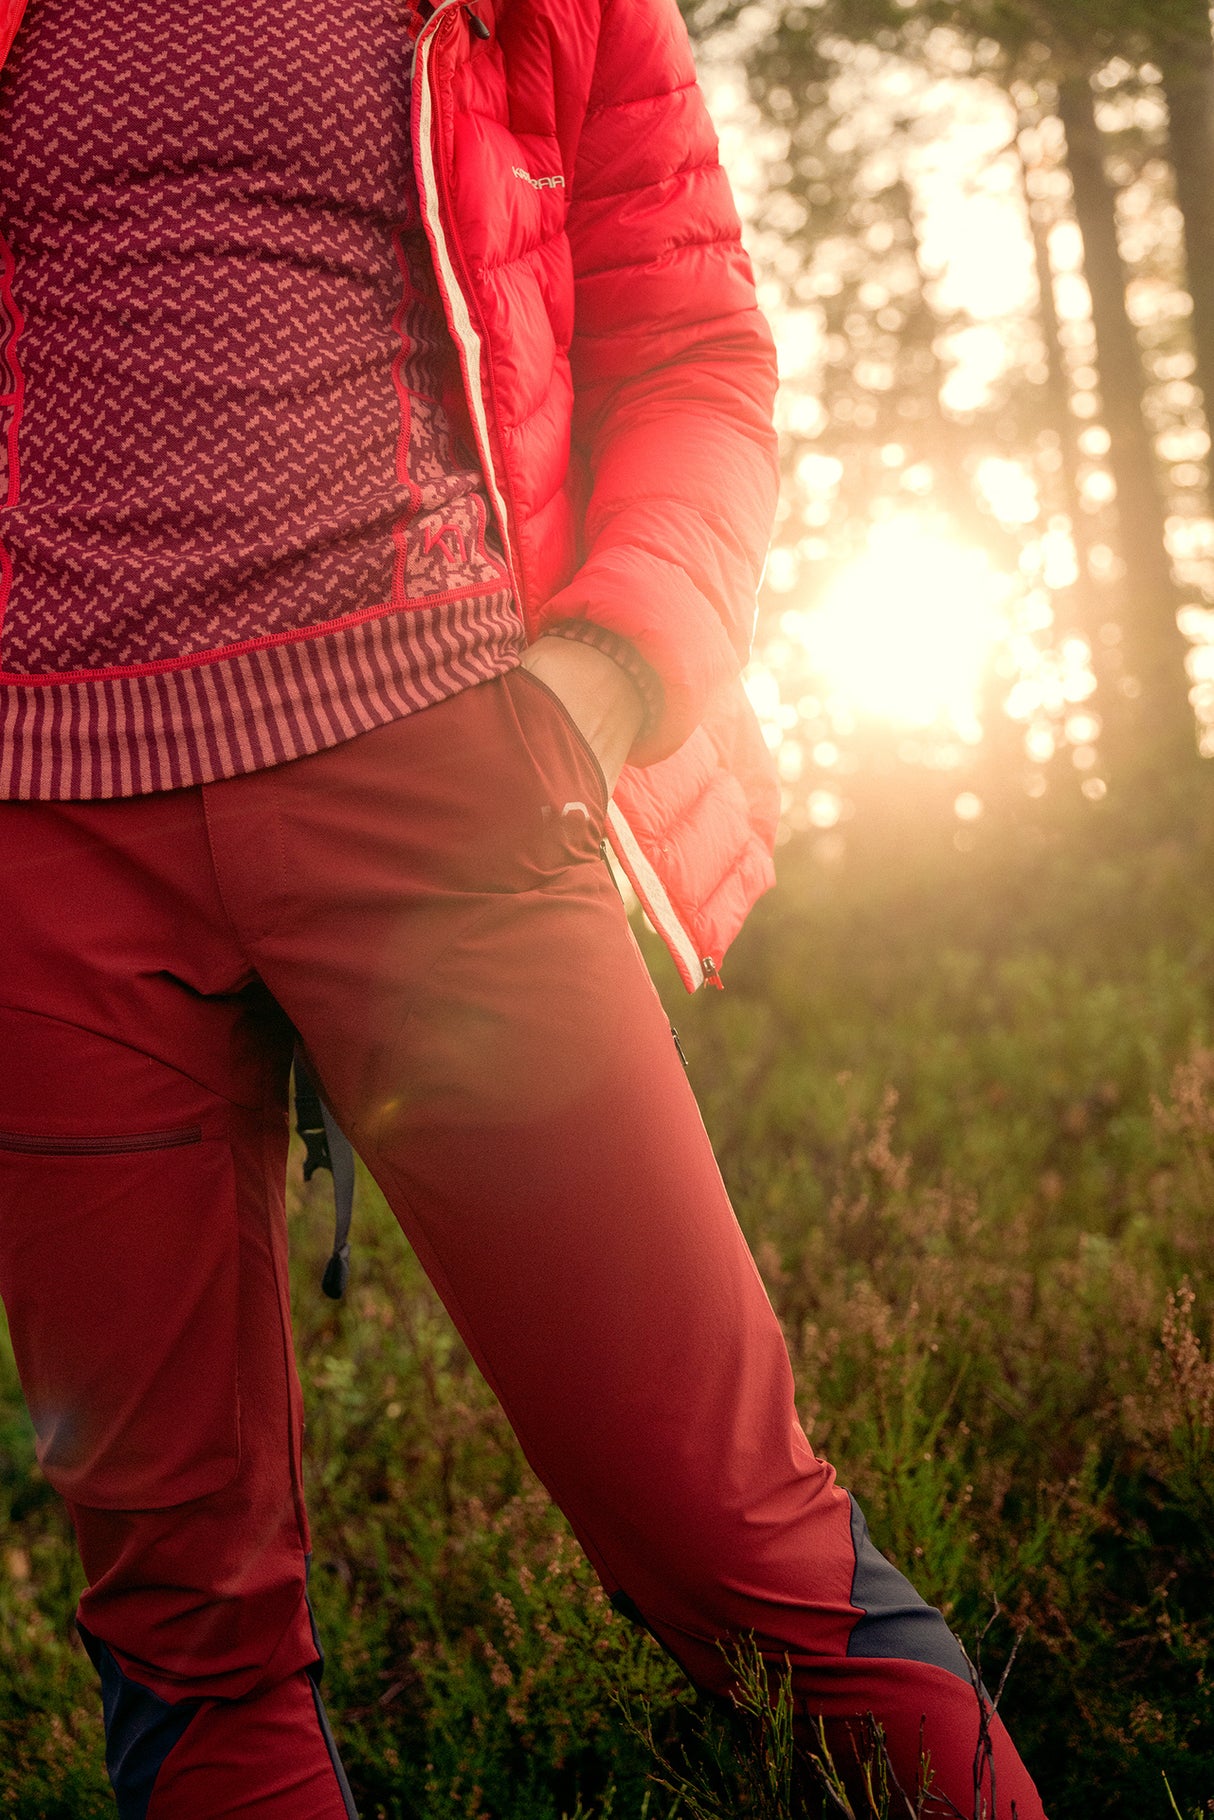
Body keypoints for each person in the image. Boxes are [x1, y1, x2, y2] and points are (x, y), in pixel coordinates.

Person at [0, 0, 1049, 1812]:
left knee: (744, 1552)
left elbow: (698, 349)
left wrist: (600, 685)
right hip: (42, 847)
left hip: (443, 792)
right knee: (181, 1631)